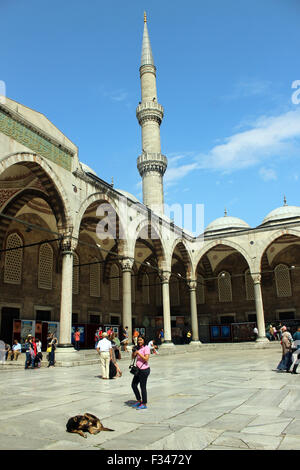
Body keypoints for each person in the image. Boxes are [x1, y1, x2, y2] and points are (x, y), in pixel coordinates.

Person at [131, 336, 151, 410]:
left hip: (144, 370)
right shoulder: (138, 348)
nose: (139, 341)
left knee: (142, 387)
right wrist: (134, 352)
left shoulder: (146, 348)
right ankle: (139, 400)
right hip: (138, 370)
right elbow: (132, 358)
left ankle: (144, 403)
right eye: (138, 340)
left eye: (141, 340)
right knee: (133, 385)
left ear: (144, 340)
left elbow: (146, 358)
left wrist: (139, 353)